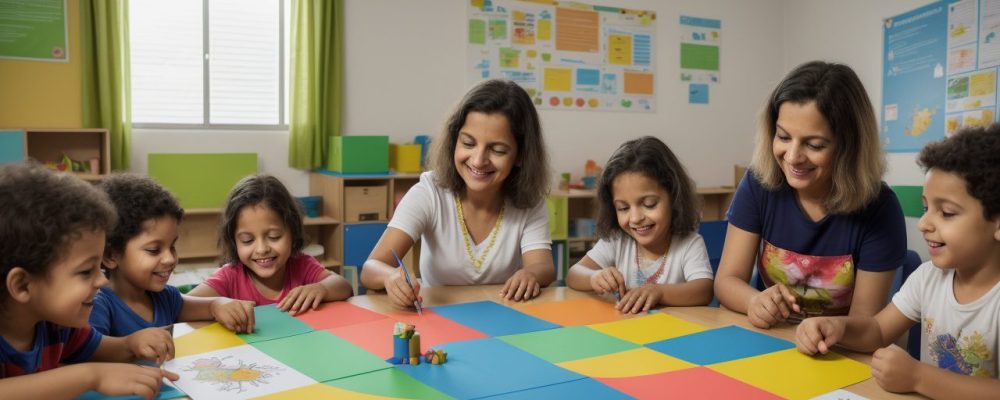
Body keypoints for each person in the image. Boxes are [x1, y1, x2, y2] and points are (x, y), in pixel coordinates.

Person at [795, 126, 1000, 397]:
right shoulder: (928, 278)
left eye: (947, 213)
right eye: (926, 208)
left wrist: (918, 378)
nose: (924, 224)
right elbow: (878, 330)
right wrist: (837, 327)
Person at [714, 61, 907, 328]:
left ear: (849, 147)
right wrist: (753, 302)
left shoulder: (880, 208)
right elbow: (726, 281)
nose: (792, 157)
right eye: (783, 137)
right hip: (767, 342)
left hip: (837, 351)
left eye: (814, 145)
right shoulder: (759, 184)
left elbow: (865, 322)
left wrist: (824, 333)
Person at [361, 79, 554, 307]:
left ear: (521, 155)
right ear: (454, 141)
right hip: (440, 318)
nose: (478, 160)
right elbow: (370, 268)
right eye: (468, 143)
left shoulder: (528, 201)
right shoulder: (430, 191)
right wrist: (390, 277)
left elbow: (544, 267)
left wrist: (530, 274)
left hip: (504, 317)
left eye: (497, 149)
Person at [0, 163, 178, 399]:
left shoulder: (58, 325)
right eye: (86, 271)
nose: (102, 281)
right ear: (23, 285)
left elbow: (98, 349)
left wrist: (130, 343)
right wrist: (92, 375)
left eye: (98, 268)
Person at [91, 174, 256, 336]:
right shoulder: (98, 305)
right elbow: (91, 358)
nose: (170, 259)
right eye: (154, 250)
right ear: (111, 256)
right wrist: (130, 346)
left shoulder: (164, 297)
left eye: (172, 246)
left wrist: (220, 304)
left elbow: (209, 306)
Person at [566, 136, 713, 313]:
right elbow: (573, 274)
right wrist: (594, 277)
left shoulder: (689, 244)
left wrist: (659, 292)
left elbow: (704, 290)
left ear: (674, 197)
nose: (635, 218)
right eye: (623, 208)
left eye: (649, 204)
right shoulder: (617, 240)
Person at [188, 175, 352, 314]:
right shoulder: (229, 276)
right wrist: (214, 306)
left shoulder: (302, 265)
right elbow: (182, 305)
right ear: (234, 241)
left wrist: (321, 288)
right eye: (247, 240)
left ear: (292, 233)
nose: (262, 249)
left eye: (274, 236)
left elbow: (344, 286)